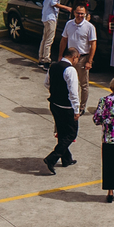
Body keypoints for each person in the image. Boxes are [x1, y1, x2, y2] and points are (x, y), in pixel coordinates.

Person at [44, 46, 82, 174]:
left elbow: (46, 83)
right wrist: (76, 110)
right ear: (74, 57)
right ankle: (52, 157)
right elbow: (73, 93)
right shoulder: (70, 70)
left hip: (55, 104)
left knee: (61, 132)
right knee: (71, 134)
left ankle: (66, 158)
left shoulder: (53, 66)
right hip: (66, 107)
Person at [59, 4, 97, 114]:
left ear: (85, 14)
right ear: (74, 13)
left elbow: (93, 44)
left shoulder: (89, 27)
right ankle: (70, 104)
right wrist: (60, 56)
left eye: (82, 14)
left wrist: (89, 61)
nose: (80, 15)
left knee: (83, 84)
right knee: (68, 81)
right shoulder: (69, 24)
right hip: (69, 58)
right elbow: (64, 40)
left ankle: (82, 107)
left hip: (82, 58)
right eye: (78, 13)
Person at [39, 0, 71, 68]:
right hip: (51, 17)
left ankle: (41, 58)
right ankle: (46, 60)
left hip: (45, 16)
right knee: (49, 39)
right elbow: (53, 3)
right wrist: (66, 7)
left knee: (45, 38)